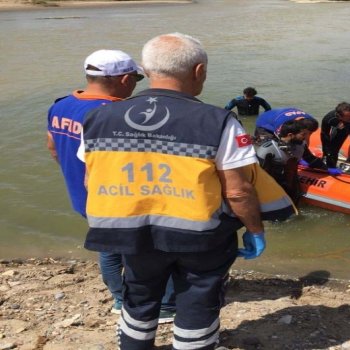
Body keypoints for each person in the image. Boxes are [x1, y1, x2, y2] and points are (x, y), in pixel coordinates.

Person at [79, 33, 265, 350]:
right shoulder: (218, 121)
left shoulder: (99, 118)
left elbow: (90, 181)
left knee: (138, 297)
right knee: (197, 301)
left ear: (148, 71)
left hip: (132, 233)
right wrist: (254, 230)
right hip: (199, 238)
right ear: (199, 71)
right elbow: (238, 191)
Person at [46, 49, 176, 321]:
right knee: (150, 250)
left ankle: (119, 298)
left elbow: (53, 148)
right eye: (137, 80)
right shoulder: (120, 113)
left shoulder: (59, 106)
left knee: (108, 247)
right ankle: (162, 305)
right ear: (126, 79)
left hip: (83, 196)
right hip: (119, 198)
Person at [254, 107, 341, 174]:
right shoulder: (283, 126)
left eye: (310, 133)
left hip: (284, 116)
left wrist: (324, 168)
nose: (307, 136)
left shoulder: (310, 120)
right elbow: (283, 144)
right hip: (265, 124)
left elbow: (305, 143)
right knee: (276, 148)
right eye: (304, 134)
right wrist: (295, 157)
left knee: (299, 144)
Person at [255, 118, 313, 203]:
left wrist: (327, 168)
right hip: (272, 189)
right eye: (303, 134)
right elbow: (258, 176)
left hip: (291, 187)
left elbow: (311, 159)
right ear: (290, 135)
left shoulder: (301, 146)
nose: (306, 138)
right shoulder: (267, 150)